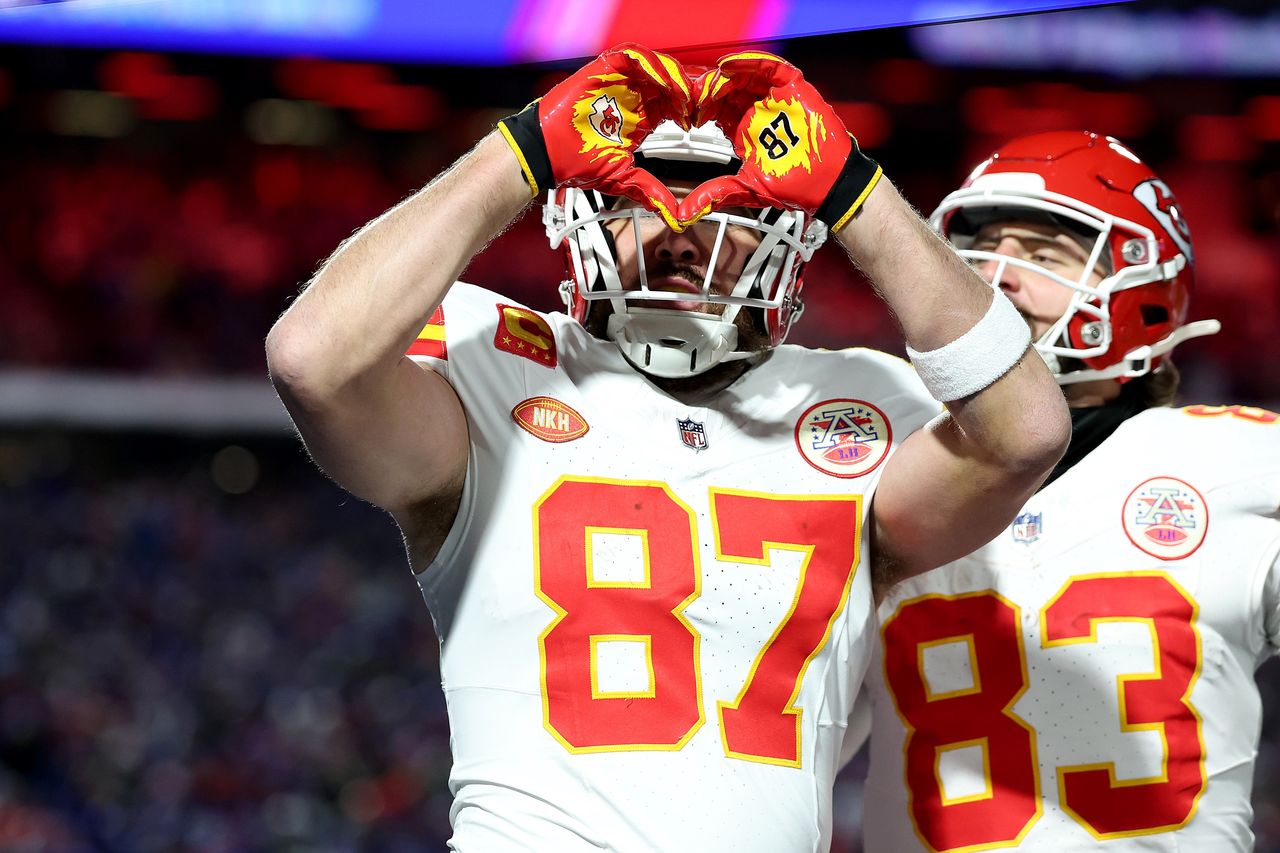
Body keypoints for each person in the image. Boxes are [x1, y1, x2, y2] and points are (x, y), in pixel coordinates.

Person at [265, 44, 1069, 851]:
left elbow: (1027, 433)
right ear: (579, 211)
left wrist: (856, 192)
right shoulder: (496, 362)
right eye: (643, 196)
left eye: (730, 207)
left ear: (790, 233)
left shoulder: (856, 400)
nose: (683, 229)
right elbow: (314, 361)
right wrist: (519, 154)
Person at [857, 130, 1280, 851]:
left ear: (1143, 295)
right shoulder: (879, 459)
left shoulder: (1239, 461)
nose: (996, 276)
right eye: (979, 251)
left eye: (1044, 254)